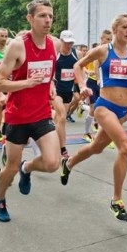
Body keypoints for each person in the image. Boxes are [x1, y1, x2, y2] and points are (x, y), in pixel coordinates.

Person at [61, 14, 127, 222]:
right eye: (124, 27)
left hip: (123, 111)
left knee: (96, 147)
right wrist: (82, 86)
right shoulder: (103, 51)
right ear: (115, 29)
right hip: (104, 107)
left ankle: (69, 164)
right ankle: (116, 200)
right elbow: (77, 66)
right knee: (126, 148)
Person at [0, 0, 60, 222]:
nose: (47, 20)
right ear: (30, 18)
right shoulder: (18, 45)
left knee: (52, 163)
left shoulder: (54, 44)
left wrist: (49, 86)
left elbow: (48, 75)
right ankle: (0, 198)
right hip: (17, 116)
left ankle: (28, 167)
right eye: (42, 15)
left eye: (50, 15)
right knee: (9, 168)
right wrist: (26, 83)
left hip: (41, 114)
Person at [53, 30, 79, 159]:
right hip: (56, 91)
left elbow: (81, 69)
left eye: (71, 43)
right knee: (62, 116)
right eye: (66, 42)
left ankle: (50, 135)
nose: (69, 45)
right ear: (61, 41)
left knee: (59, 120)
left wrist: (82, 84)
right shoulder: (56, 54)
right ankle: (62, 148)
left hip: (68, 91)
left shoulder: (75, 54)